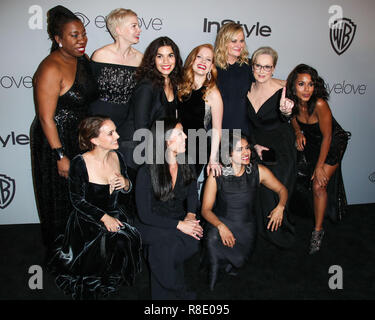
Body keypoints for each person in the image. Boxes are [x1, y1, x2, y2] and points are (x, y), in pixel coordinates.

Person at [48, 116, 142, 299]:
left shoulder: (117, 156)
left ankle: (112, 275)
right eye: (110, 133)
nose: (118, 135)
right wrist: (104, 217)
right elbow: (77, 201)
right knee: (109, 240)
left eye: (115, 130)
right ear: (94, 140)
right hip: (88, 219)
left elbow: (128, 190)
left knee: (126, 237)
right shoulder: (79, 163)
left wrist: (125, 183)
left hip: (114, 212)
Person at [30, 5, 98, 257]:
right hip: (55, 142)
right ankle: (64, 252)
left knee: (82, 195)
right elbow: (46, 118)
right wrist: (60, 156)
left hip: (79, 139)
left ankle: (84, 245)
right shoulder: (50, 68)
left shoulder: (83, 60)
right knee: (60, 198)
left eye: (83, 33)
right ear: (58, 39)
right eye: (74, 35)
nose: (82, 40)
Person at [201, 131, 288, 290]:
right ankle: (213, 278)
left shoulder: (258, 171)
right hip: (221, 224)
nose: (247, 152)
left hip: (245, 229)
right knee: (212, 239)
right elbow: (205, 210)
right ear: (228, 153)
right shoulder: (218, 174)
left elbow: (282, 189)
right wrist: (221, 226)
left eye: (247, 148)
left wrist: (280, 207)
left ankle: (226, 264)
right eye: (240, 149)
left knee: (239, 262)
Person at [135, 118, 203, 299]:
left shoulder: (186, 162)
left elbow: (192, 195)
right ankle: (180, 292)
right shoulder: (146, 171)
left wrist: (190, 214)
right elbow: (145, 215)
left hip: (178, 219)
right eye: (180, 134)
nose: (186, 136)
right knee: (164, 248)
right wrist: (180, 225)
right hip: (150, 224)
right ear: (165, 140)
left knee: (164, 252)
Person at [287, 64, 350, 254]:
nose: (307, 89)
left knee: (318, 184)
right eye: (301, 84)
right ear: (293, 86)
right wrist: (298, 132)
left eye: (311, 84)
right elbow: (291, 118)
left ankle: (317, 231)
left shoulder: (320, 104)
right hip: (312, 142)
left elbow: (328, 137)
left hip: (331, 143)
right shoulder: (291, 102)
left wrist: (320, 166)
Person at [246, 46, 296, 249]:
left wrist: (287, 112)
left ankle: (281, 233)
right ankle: (263, 232)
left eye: (267, 67)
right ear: (252, 66)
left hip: (280, 148)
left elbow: (290, 116)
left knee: (276, 191)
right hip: (258, 146)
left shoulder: (283, 88)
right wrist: (252, 144)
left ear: (274, 68)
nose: (261, 71)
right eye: (258, 65)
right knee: (260, 192)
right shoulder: (247, 88)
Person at [89, 8, 143, 170]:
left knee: (123, 170)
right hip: (99, 124)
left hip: (127, 126)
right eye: (133, 26)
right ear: (118, 30)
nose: (139, 30)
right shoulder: (100, 56)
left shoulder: (141, 59)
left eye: (138, 25)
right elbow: (89, 91)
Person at [122, 36, 183, 170]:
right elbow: (141, 128)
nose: (166, 61)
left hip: (155, 149)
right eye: (160, 56)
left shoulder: (173, 84)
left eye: (170, 55)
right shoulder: (146, 86)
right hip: (136, 151)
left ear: (176, 58)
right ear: (152, 60)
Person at [178, 43, 223, 177]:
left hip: (197, 148)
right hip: (174, 144)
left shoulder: (213, 93)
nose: (203, 61)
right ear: (192, 60)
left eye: (208, 59)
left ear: (212, 66)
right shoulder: (179, 86)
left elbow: (216, 129)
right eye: (199, 57)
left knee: (186, 191)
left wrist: (213, 159)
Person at [214, 22, 255, 137]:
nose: (239, 45)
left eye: (241, 41)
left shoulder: (249, 65)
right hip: (217, 128)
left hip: (242, 128)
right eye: (234, 41)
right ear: (223, 41)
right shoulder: (212, 66)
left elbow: (264, 85)